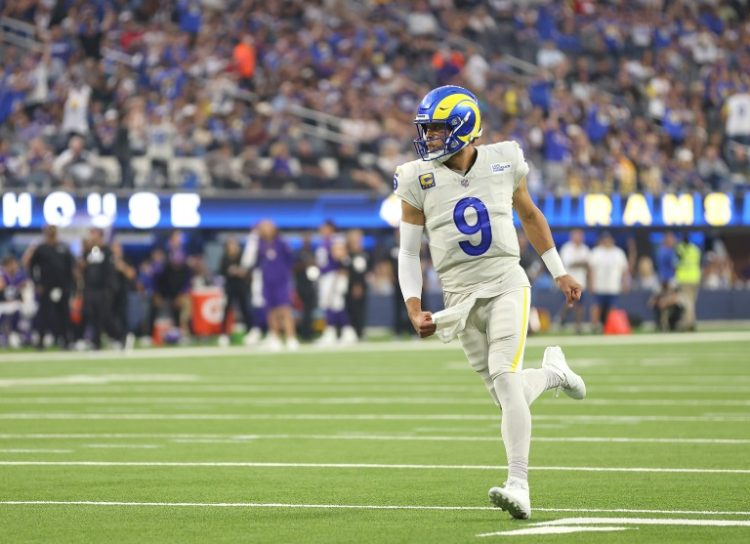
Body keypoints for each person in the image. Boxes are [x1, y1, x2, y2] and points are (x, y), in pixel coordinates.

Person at [394, 85, 586, 520]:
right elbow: (408, 252)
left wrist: (558, 271)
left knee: (504, 375)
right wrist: (412, 306)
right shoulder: (415, 178)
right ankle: (554, 374)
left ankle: (518, 483)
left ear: (464, 126)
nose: (431, 139)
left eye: (439, 130)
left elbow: (530, 215)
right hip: (458, 296)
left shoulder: (504, 160)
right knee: (507, 395)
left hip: (505, 282)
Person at [243, 220, 299, 350]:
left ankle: (291, 337)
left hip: (281, 281)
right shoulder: (259, 244)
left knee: (285, 309)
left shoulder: (282, 243)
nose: (265, 229)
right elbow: (249, 262)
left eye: (267, 226)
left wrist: (285, 275)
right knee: (270, 310)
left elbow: (291, 261)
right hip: (267, 281)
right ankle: (274, 337)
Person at [24, 225, 75, 349]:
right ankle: (40, 341)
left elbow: (71, 267)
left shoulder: (63, 247)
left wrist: (70, 286)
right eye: (49, 231)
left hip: (62, 286)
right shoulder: (41, 248)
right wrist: (37, 283)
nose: (51, 233)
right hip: (46, 286)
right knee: (44, 314)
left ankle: (65, 341)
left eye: (53, 231)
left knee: (64, 314)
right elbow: (31, 266)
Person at [588, 231, 629, 331]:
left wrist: (625, 282)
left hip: (613, 286)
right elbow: (591, 270)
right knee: (597, 307)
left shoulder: (618, 252)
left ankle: (610, 327)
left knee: (613, 308)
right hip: (599, 286)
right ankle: (595, 327)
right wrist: (591, 284)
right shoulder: (596, 252)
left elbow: (624, 270)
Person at [218, 237, 253, 347]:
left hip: (242, 287)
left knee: (245, 309)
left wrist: (240, 272)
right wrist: (230, 271)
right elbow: (222, 271)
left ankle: (250, 332)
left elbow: (248, 271)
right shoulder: (225, 258)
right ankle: (224, 334)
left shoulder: (243, 257)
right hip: (230, 287)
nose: (232, 247)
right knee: (227, 309)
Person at [558, 229, 590, 333]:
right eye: (576, 236)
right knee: (570, 304)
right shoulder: (567, 248)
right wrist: (581, 263)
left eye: (580, 236)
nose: (579, 238)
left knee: (579, 306)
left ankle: (578, 326)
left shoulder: (585, 249)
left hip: (581, 282)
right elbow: (569, 263)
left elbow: (589, 265)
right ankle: (562, 318)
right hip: (569, 281)